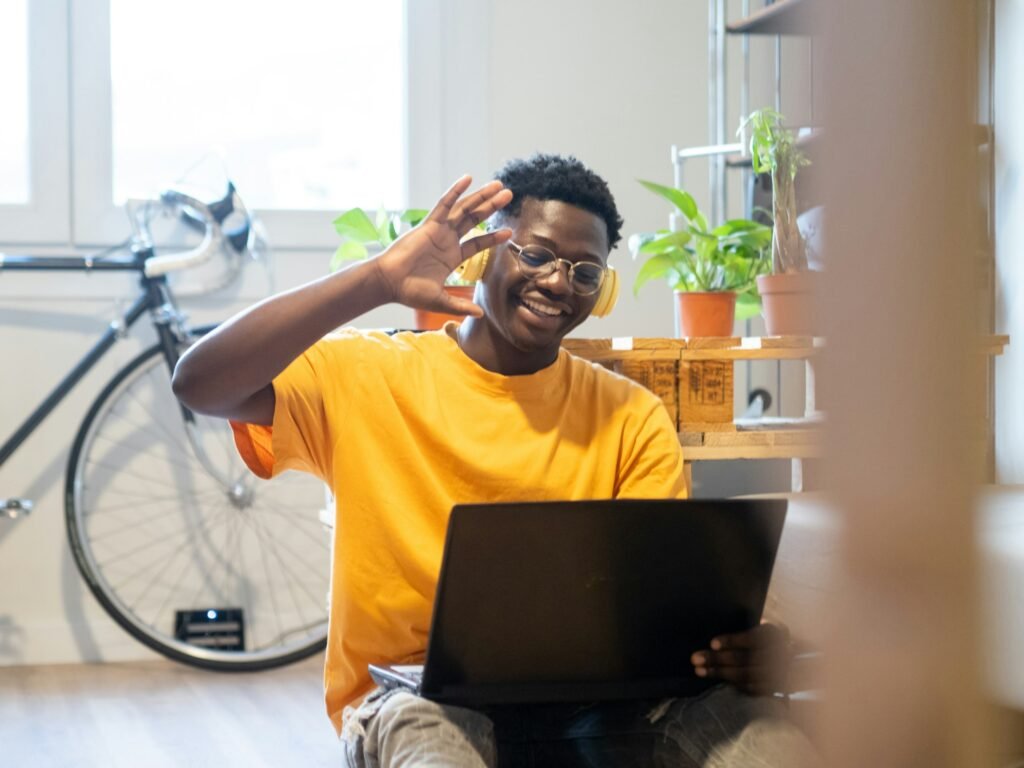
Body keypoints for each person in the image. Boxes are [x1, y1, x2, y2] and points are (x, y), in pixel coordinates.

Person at [172, 154, 815, 767]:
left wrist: (740, 653)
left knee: (760, 737)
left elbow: (653, 613)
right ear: (482, 254)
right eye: (534, 255)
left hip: (602, 707)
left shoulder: (631, 417)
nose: (558, 283)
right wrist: (375, 280)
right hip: (419, 703)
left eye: (584, 272)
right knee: (430, 739)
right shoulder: (368, 375)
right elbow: (200, 385)